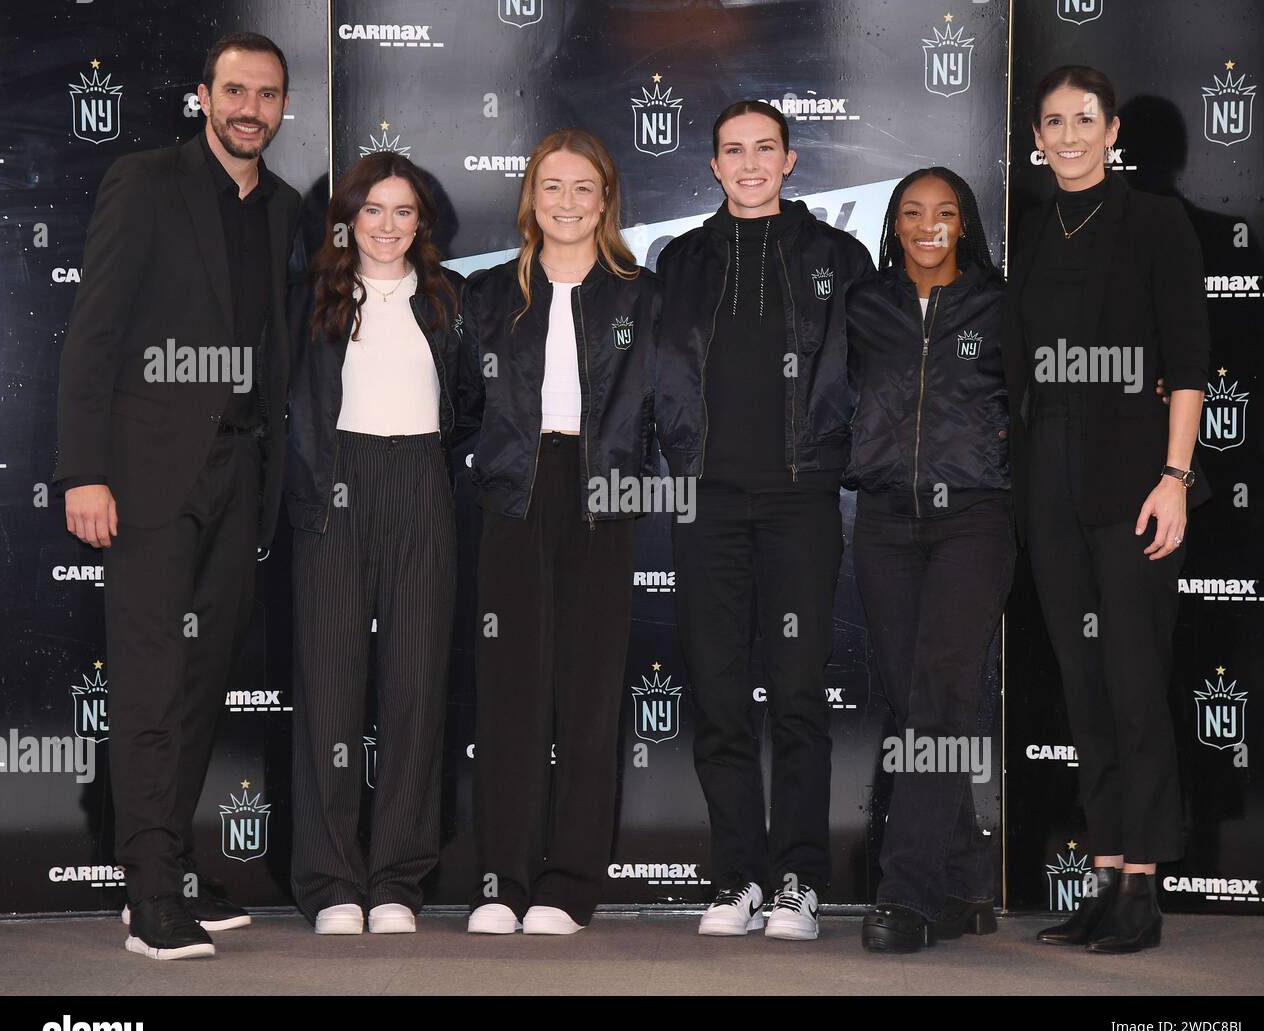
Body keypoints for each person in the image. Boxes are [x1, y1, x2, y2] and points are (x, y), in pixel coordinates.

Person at [53, 32, 301, 959]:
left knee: (200, 685)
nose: (250, 108)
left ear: (281, 106)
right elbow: (93, 332)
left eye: (267, 95)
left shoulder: (281, 207)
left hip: (241, 477)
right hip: (148, 477)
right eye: (234, 91)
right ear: (204, 97)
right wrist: (84, 469)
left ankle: (159, 873)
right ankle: (152, 894)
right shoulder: (146, 180)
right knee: (152, 683)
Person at [654, 101, 875, 940]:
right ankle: (736, 878)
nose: (749, 164)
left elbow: (881, 370)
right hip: (704, 503)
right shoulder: (679, 261)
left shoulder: (837, 257)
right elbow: (646, 376)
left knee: (797, 699)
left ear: (790, 161)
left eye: (764, 150)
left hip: (801, 502)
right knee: (715, 696)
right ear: (713, 166)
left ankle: (798, 881)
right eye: (732, 151)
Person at [1005, 66, 1209, 953]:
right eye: (1055, 122)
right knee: (1082, 687)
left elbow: (1191, 359)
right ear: (1038, 140)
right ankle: (1104, 873)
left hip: (1132, 475)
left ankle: (1143, 887)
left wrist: (1175, 475)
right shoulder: (1034, 229)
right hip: (1046, 472)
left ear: (1112, 130)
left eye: (1085, 119)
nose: (1071, 134)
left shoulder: (1156, 222)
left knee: (1133, 680)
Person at [461, 129, 660, 936]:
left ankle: (568, 884)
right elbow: (455, 407)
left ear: (606, 198)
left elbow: (669, 405)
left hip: (602, 495)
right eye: (552, 186)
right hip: (513, 492)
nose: (568, 202)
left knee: (588, 694)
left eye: (584, 187)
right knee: (510, 693)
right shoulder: (485, 294)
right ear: (530, 198)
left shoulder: (641, 294)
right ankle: (500, 880)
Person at [285, 153, 466, 935]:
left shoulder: (451, 300)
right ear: (347, 218)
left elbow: (477, 402)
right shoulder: (312, 301)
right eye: (373, 210)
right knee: (329, 688)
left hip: (422, 479)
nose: (387, 225)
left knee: (416, 688)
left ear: (422, 221)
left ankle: (396, 879)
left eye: (403, 211)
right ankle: (330, 883)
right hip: (336, 483)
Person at [845, 167, 1012, 952]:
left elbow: (1045, 401)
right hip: (882, 521)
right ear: (895, 224)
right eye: (912, 212)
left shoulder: (999, 304)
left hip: (973, 523)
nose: (927, 224)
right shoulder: (865, 305)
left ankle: (905, 897)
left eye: (945, 212)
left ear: (966, 224)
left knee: (941, 700)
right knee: (918, 707)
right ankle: (967, 879)